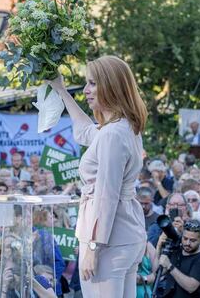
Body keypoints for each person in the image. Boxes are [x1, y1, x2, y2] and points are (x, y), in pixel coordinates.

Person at [49, 55, 148, 297]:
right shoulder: (123, 128)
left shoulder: (112, 134)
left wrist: (92, 247)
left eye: (93, 83)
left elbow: (106, 195)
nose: (86, 90)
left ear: (112, 86)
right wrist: (61, 90)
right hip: (124, 236)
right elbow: (84, 132)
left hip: (109, 242)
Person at [158, 219, 200, 297]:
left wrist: (170, 266)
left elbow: (191, 287)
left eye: (192, 240)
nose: (187, 243)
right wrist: (158, 247)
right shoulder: (177, 250)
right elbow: (157, 272)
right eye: (185, 238)